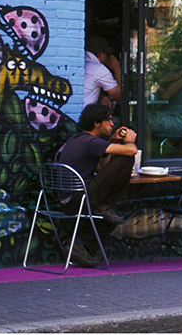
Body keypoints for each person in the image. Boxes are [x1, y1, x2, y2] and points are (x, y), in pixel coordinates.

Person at [55, 103, 137, 266]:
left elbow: (101, 168)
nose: (112, 124)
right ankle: (107, 205)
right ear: (97, 123)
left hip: (69, 200)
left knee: (112, 218)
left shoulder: (78, 139)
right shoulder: (91, 142)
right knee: (126, 158)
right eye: (109, 120)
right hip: (79, 199)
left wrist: (112, 141)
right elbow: (131, 151)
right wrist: (130, 141)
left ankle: (79, 246)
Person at [84, 35, 121, 108]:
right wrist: (117, 68)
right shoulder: (99, 69)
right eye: (106, 54)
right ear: (100, 55)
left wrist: (102, 96)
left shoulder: (82, 63)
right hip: (84, 113)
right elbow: (119, 95)